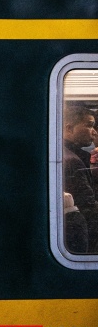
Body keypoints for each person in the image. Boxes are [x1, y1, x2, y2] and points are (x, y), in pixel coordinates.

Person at [63, 105, 98, 252]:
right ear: (69, 128)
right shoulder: (73, 160)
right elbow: (88, 206)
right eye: (89, 125)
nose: (94, 132)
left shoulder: (69, 154)